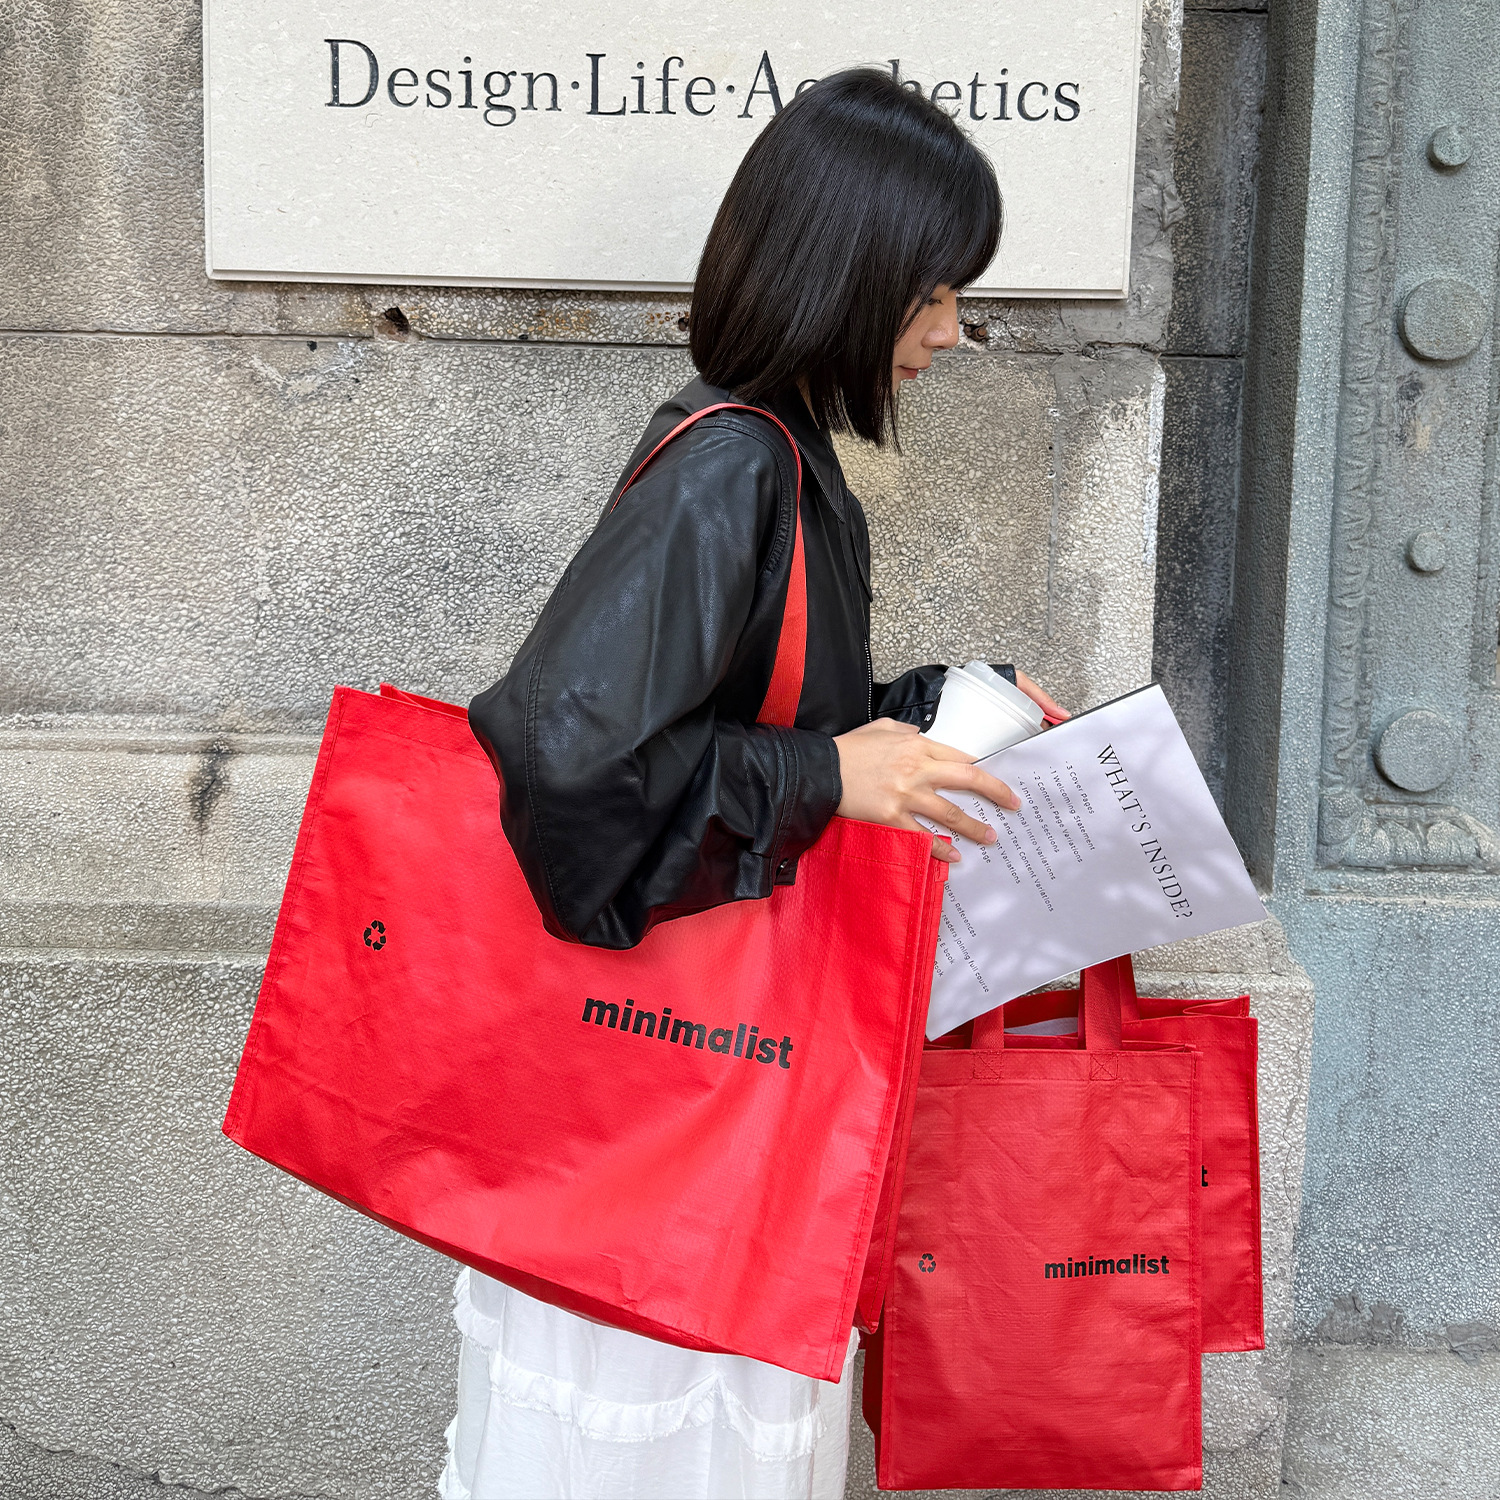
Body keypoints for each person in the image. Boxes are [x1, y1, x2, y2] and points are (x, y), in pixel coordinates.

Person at [446, 66, 1065, 1500]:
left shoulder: (771, 453)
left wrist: (935, 713)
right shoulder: (735, 465)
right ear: (846, 276)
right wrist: (823, 776)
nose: (952, 333)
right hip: (670, 1121)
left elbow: (752, 712)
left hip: (690, 1117)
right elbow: (561, 758)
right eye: (932, 295)